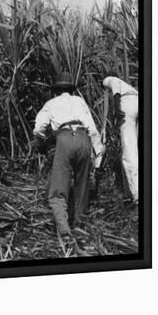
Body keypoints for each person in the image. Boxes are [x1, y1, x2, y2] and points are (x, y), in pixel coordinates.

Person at [33, 72, 104, 237]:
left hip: (64, 139)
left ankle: (64, 229)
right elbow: (92, 130)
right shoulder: (79, 101)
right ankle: (80, 225)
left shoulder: (51, 103)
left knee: (58, 189)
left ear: (56, 90)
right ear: (71, 90)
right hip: (83, 138)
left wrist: (41, 144)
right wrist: (98, 156)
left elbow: (38, 129)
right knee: (82, 185)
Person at [103, 76, 138, 202]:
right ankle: (129, 192)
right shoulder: (128, 86)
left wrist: (118, 109)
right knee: (136, 149)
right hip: (137, 101)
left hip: (126, 104)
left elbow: (116, 92)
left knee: (129, 152)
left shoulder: (109, 80)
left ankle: (137, 195)